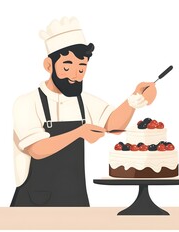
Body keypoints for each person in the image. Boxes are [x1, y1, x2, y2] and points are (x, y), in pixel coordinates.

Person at [10, 17, 156, 206]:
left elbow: (112, 124)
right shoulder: (26, 102)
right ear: (48, 65)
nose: (75, 75)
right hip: (33, 203)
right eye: (67, 66)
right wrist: (79, 132)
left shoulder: (83, 100)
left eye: (82, 67)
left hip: (76, 199)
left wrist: (134, 100)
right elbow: (37, 149)